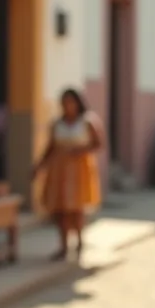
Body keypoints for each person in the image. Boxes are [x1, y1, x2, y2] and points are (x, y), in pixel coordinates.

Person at [34, 89, 102, 260]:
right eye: (64, 102)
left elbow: (98, 144)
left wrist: (80, 151)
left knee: (77, 209)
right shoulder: (57, 124)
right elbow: (50, 148)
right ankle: (63, 246)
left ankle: (79, 241)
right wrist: (39, 166)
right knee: (60, 210)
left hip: (79, 170)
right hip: (59, 171)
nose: (67, 106)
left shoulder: (87, 122)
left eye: (70, 102)